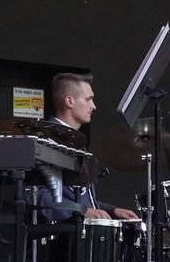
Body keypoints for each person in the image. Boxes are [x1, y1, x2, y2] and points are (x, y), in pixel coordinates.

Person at [38, 73, 139, 222]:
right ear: (69, 101)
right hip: (62, 238)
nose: (94, 106)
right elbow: (37, 196)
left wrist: (112, 210)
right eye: (88, 99)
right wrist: (81, 212)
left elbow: (83, 201)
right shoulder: (47, 140)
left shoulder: (76, 142)